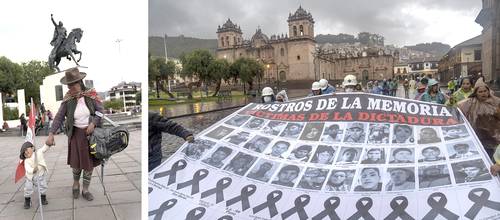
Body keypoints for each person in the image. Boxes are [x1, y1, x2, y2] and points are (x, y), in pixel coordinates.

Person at [45, 68, 107, 201]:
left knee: (88, 165)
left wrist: (94, 123)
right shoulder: (68, 99)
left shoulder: (91, 95)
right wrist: (51, 133)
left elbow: (101, 111)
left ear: (79, 82)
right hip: (76, 135)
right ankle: (75, 184)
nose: (69, 88)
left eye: (71, 85)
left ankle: (85, 189)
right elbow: (59, 117)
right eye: (68, 85)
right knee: (77, 164)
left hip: (91, 135)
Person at [458, 78, 500, 158]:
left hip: (493, 136)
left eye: (485, 91)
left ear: (488, 91)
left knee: (494, 158)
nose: (483, 93)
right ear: (476, 93)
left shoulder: (496, 102)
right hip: (478, 135)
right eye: (480, 92)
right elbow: (458, 107)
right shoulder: (470, 102)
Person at [20, 142, 52, 209]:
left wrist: (48, 144)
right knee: (28, 188)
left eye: (26, 150)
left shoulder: (38, 153)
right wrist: (33, 170)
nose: (25, 152)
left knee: (42, 185)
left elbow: (44, 149)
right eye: (24, 152)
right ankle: (27, 200)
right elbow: (27, 168)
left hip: (39, 174)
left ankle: (43, 197)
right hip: (30, 177)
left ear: (32, 148)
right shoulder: (26, 161)